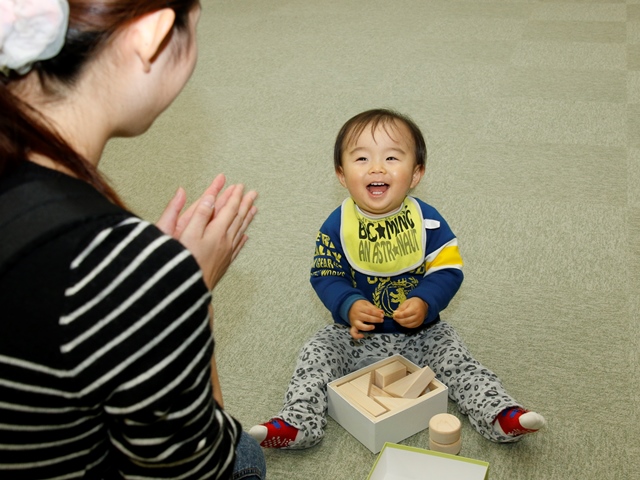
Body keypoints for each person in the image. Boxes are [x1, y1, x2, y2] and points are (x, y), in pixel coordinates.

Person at [0, 1, 266, 478]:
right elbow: (196, 469)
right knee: (244, 457)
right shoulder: (129, 272)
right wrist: (185, 294)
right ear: (154, 35)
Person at [249, 108, 546, 449]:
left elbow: (448, 269)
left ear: (416, 173)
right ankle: (297, 423)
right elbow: (325, 274)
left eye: (391, 157)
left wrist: (425, 300)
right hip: (355, 336)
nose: (377, 167)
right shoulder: (337, 226)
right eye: (361, 158)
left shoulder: (428, 222)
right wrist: (349, 304)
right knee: (316, 354)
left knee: (460, 361)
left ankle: (500, 415)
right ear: (341, 175)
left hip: (424, 333)